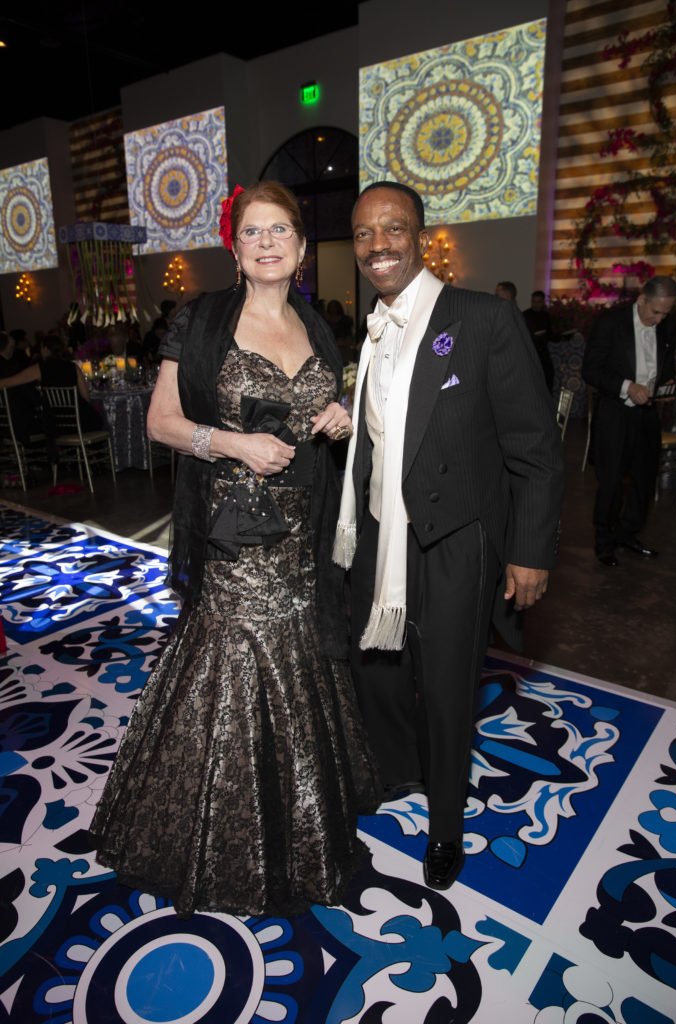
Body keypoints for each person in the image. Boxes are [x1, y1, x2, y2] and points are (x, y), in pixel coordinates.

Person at [90, 181, 380, 918]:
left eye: (281, 229)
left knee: (298, 657)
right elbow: (160, 422)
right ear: (237, 249)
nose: (268, 241)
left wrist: (336, 418)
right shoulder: (203, 320)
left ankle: (298, 820)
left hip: (301, 534)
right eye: (253, 231)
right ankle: (218, 834)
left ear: (302, 247)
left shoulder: (317, 328)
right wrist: (231, 444)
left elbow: (319, 411)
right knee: (236, 659)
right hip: (232, 534)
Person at [334, 181, 563, 891]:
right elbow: (378, 438)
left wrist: (528, 550)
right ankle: (397, 772)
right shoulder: (369, 329)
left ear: (420, 235)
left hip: (454, 539)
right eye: (365, 233)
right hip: (379, 533)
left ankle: (444, 825)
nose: (378, 245)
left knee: (444, 685)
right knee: (374, 671)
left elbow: (533, 447)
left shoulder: (482, 318)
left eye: (392, 229)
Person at [582, 275, 676, 567]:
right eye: (655, 312)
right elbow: (591, 370)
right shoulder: (611, 323)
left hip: (648, 414)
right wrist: (627, 386)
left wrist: (667, 385)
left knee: (643, 481)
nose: (660, 319)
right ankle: (604, 540)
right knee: (611, 482)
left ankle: (628, 533)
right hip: (615, 414)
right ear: (641, 300)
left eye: (666, 313)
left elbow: (666, 367)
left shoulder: (667, 327)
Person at [0, 334, 102, 432]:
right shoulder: (73, 367)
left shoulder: (40, 368)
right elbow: (86, 398)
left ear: (45, 349)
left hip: (58, 424)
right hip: (84, 421)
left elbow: (9, 382)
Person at [523, 290, 555, 393]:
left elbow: (550, 334)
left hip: (543, 353)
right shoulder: (525, 315)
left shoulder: (545, 316)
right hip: (530, 353)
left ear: (543, 302)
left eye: (538, 301)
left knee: (548, 378)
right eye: (534, 301)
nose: (536, 304)